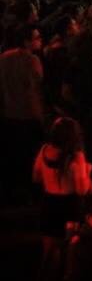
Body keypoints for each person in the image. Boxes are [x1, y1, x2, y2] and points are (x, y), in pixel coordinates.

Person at [33, 117, 92, 277]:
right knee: (70, 254)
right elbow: (82, 190)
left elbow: (36, 177)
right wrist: (87, 171)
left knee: (48, 254)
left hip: (49, 205)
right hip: (70, 208)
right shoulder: (76, 156)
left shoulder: (44, 150)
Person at [1, 24, 44, 205]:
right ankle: (31, 195)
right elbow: (36, 86)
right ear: (27, 41)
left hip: (9, 113)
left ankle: (13, 194)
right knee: (30, 157)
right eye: (37, 38)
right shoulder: (32, 60)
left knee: (13, 155)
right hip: (29, 114)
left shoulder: (4, 57)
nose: (40, 41)